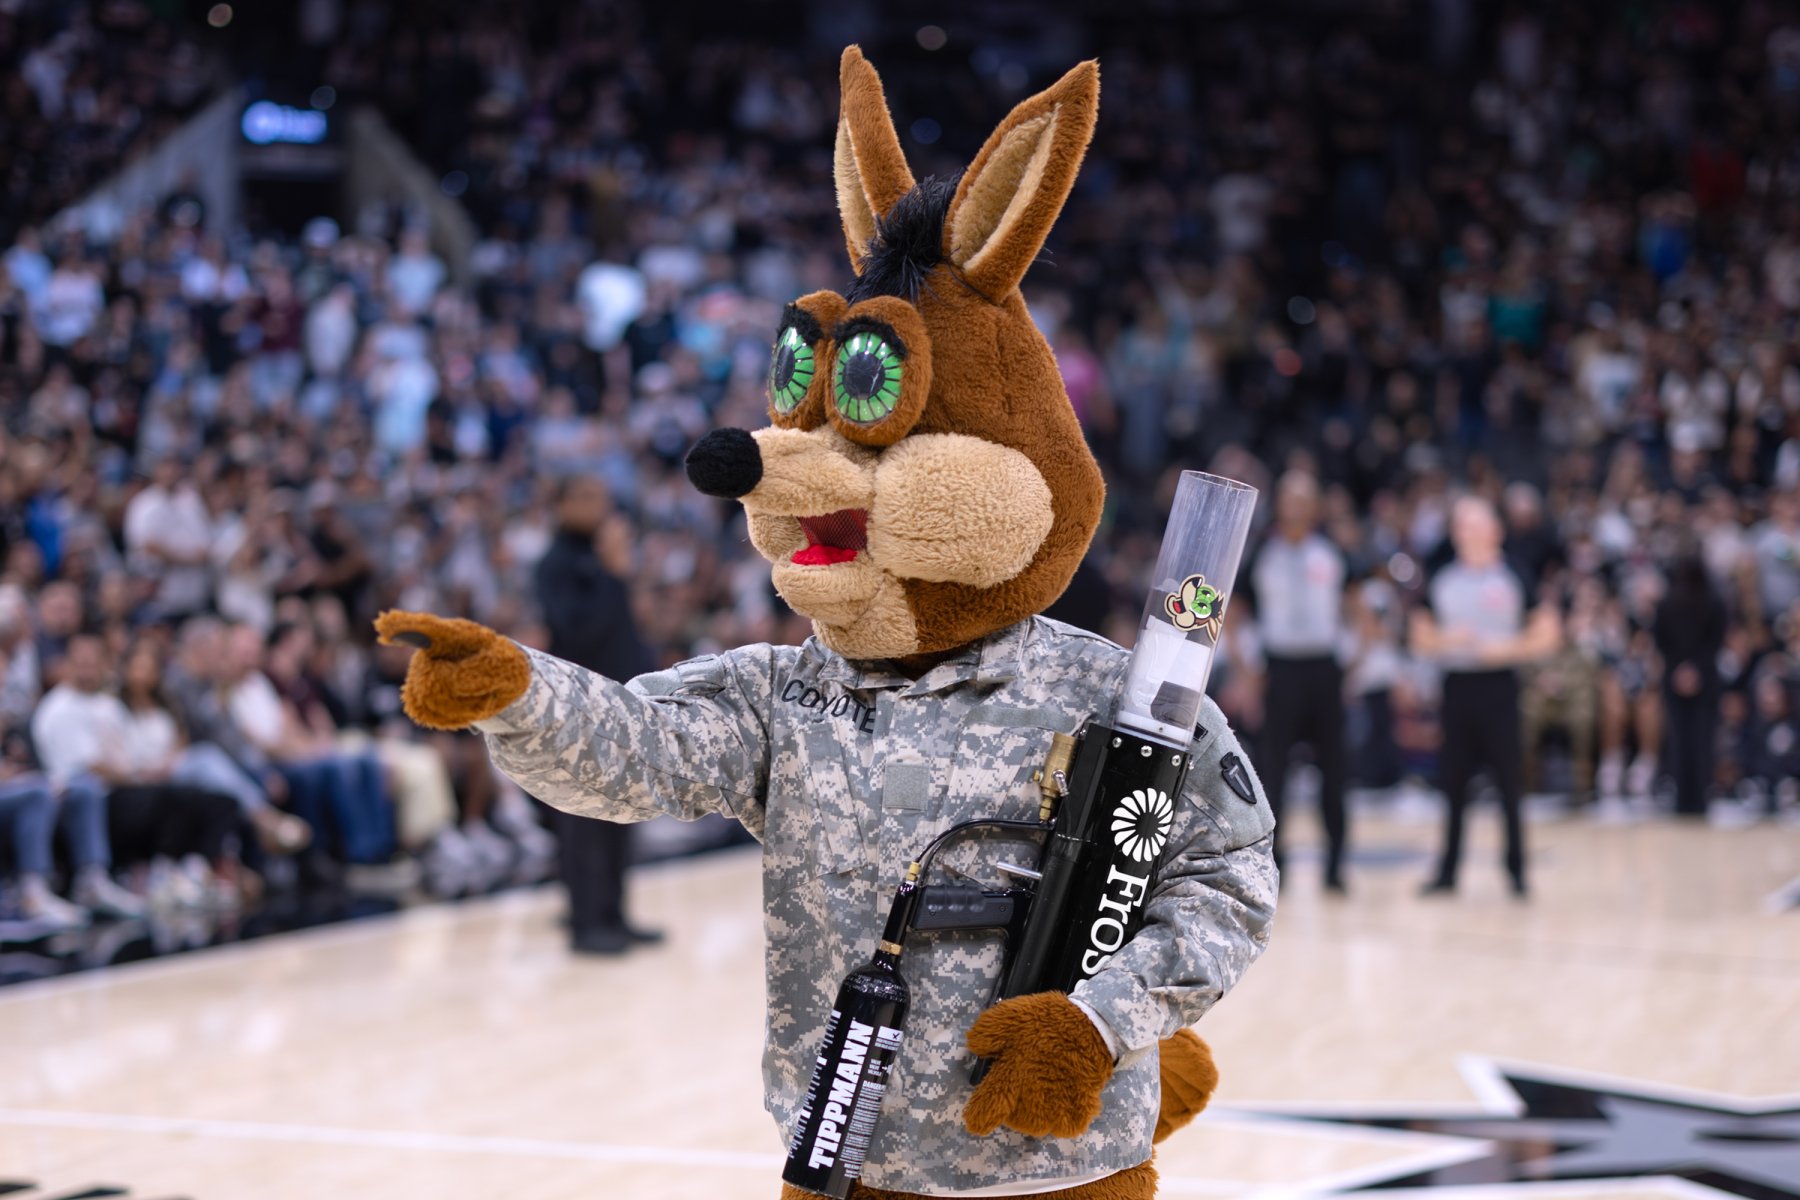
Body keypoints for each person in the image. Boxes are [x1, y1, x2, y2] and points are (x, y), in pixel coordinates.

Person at [532, 475, 661, 955]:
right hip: (578, 706)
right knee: (582, 815)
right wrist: (612, 574)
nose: (598, 506)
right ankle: (584, 922)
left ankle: (614, 914)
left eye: (601, 497)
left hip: (621, 701)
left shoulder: (604, 556)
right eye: (585, 497)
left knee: (622, 809)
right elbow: (576, 635)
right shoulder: (555, 564)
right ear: (561, 504)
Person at [1411, 496, 1560, 897]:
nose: (1469, 533)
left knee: (1510, 782)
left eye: (1476, 525)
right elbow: (1419, 635)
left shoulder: (1515, 574)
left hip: (1500, 687)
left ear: (1495, 530)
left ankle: (1517, 871)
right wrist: (1448, 640)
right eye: (1462, 525)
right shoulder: (1443, 578)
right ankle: (1447, 871)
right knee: (1453, 782)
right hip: (1457, 687)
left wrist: (1507, 649)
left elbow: (1548, 632)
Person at [1246, 471, 1350, 891]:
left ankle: (1336, 866)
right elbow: (1234, 610)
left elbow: (1359, 603)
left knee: (1335, 770)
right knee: (1274, 771)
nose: (1296, 506)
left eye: (1304, 499)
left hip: (1324, 668)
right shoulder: (1262, 554)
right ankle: (1276, 866)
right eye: (1290, 497)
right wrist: (1246, 671)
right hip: (1280, 669)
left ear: (1315, 507)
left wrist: (1356, 660)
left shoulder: (1332, 553)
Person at [27, 636, 151, 918]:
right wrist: (135, 777)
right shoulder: (57, 708)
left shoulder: (107, 704)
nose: (88, 668)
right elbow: (84, 766)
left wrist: (140, 773)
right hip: (69, 788)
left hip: (115, 783)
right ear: (67, 665)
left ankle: (159, 877)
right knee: (93, 789)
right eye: (81, 662)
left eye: (93, 662)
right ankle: (90, 880)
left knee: (173, 793)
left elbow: (134, 752)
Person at [1653, 553, 1727, 816]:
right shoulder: (1715, 601)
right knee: (1701, 739)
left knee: (1680, 739)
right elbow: (1716, 642)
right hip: (1704, 678)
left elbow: (1661, 642)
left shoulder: (1667, 602)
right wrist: (1695, 669)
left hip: (1677, 677)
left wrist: (1680, 668)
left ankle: (1682, 800)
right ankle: (1700, 799)